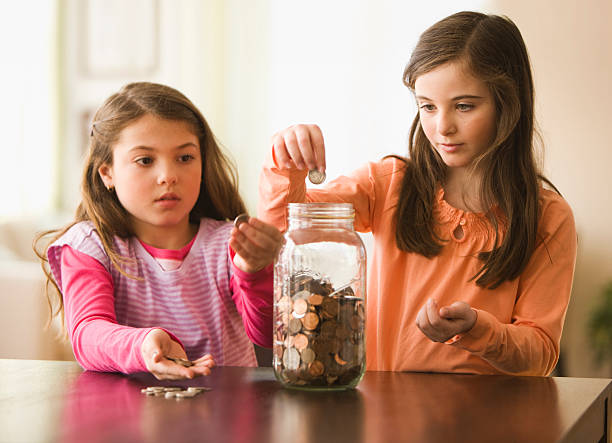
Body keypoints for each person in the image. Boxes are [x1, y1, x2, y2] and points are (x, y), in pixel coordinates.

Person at [258, 11, 577, 376]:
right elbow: (284, 230)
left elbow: (540, 355)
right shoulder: (387, 183)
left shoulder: (549, 216)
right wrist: (285, 162)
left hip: (489, 422)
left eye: (464, 106)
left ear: (508, 104)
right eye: (427, 106)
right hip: (383, 420)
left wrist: (477, 329)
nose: (443, 127)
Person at [35, 82, 283, 380]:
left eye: (185, 158)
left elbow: (269, 336)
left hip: (228, 417)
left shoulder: (229, 243)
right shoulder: (89, 246)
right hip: (125, 419)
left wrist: (255, 273)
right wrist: (143, 345)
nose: (168, 176)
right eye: (145, 160)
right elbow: (87, 334)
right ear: (107, 173)